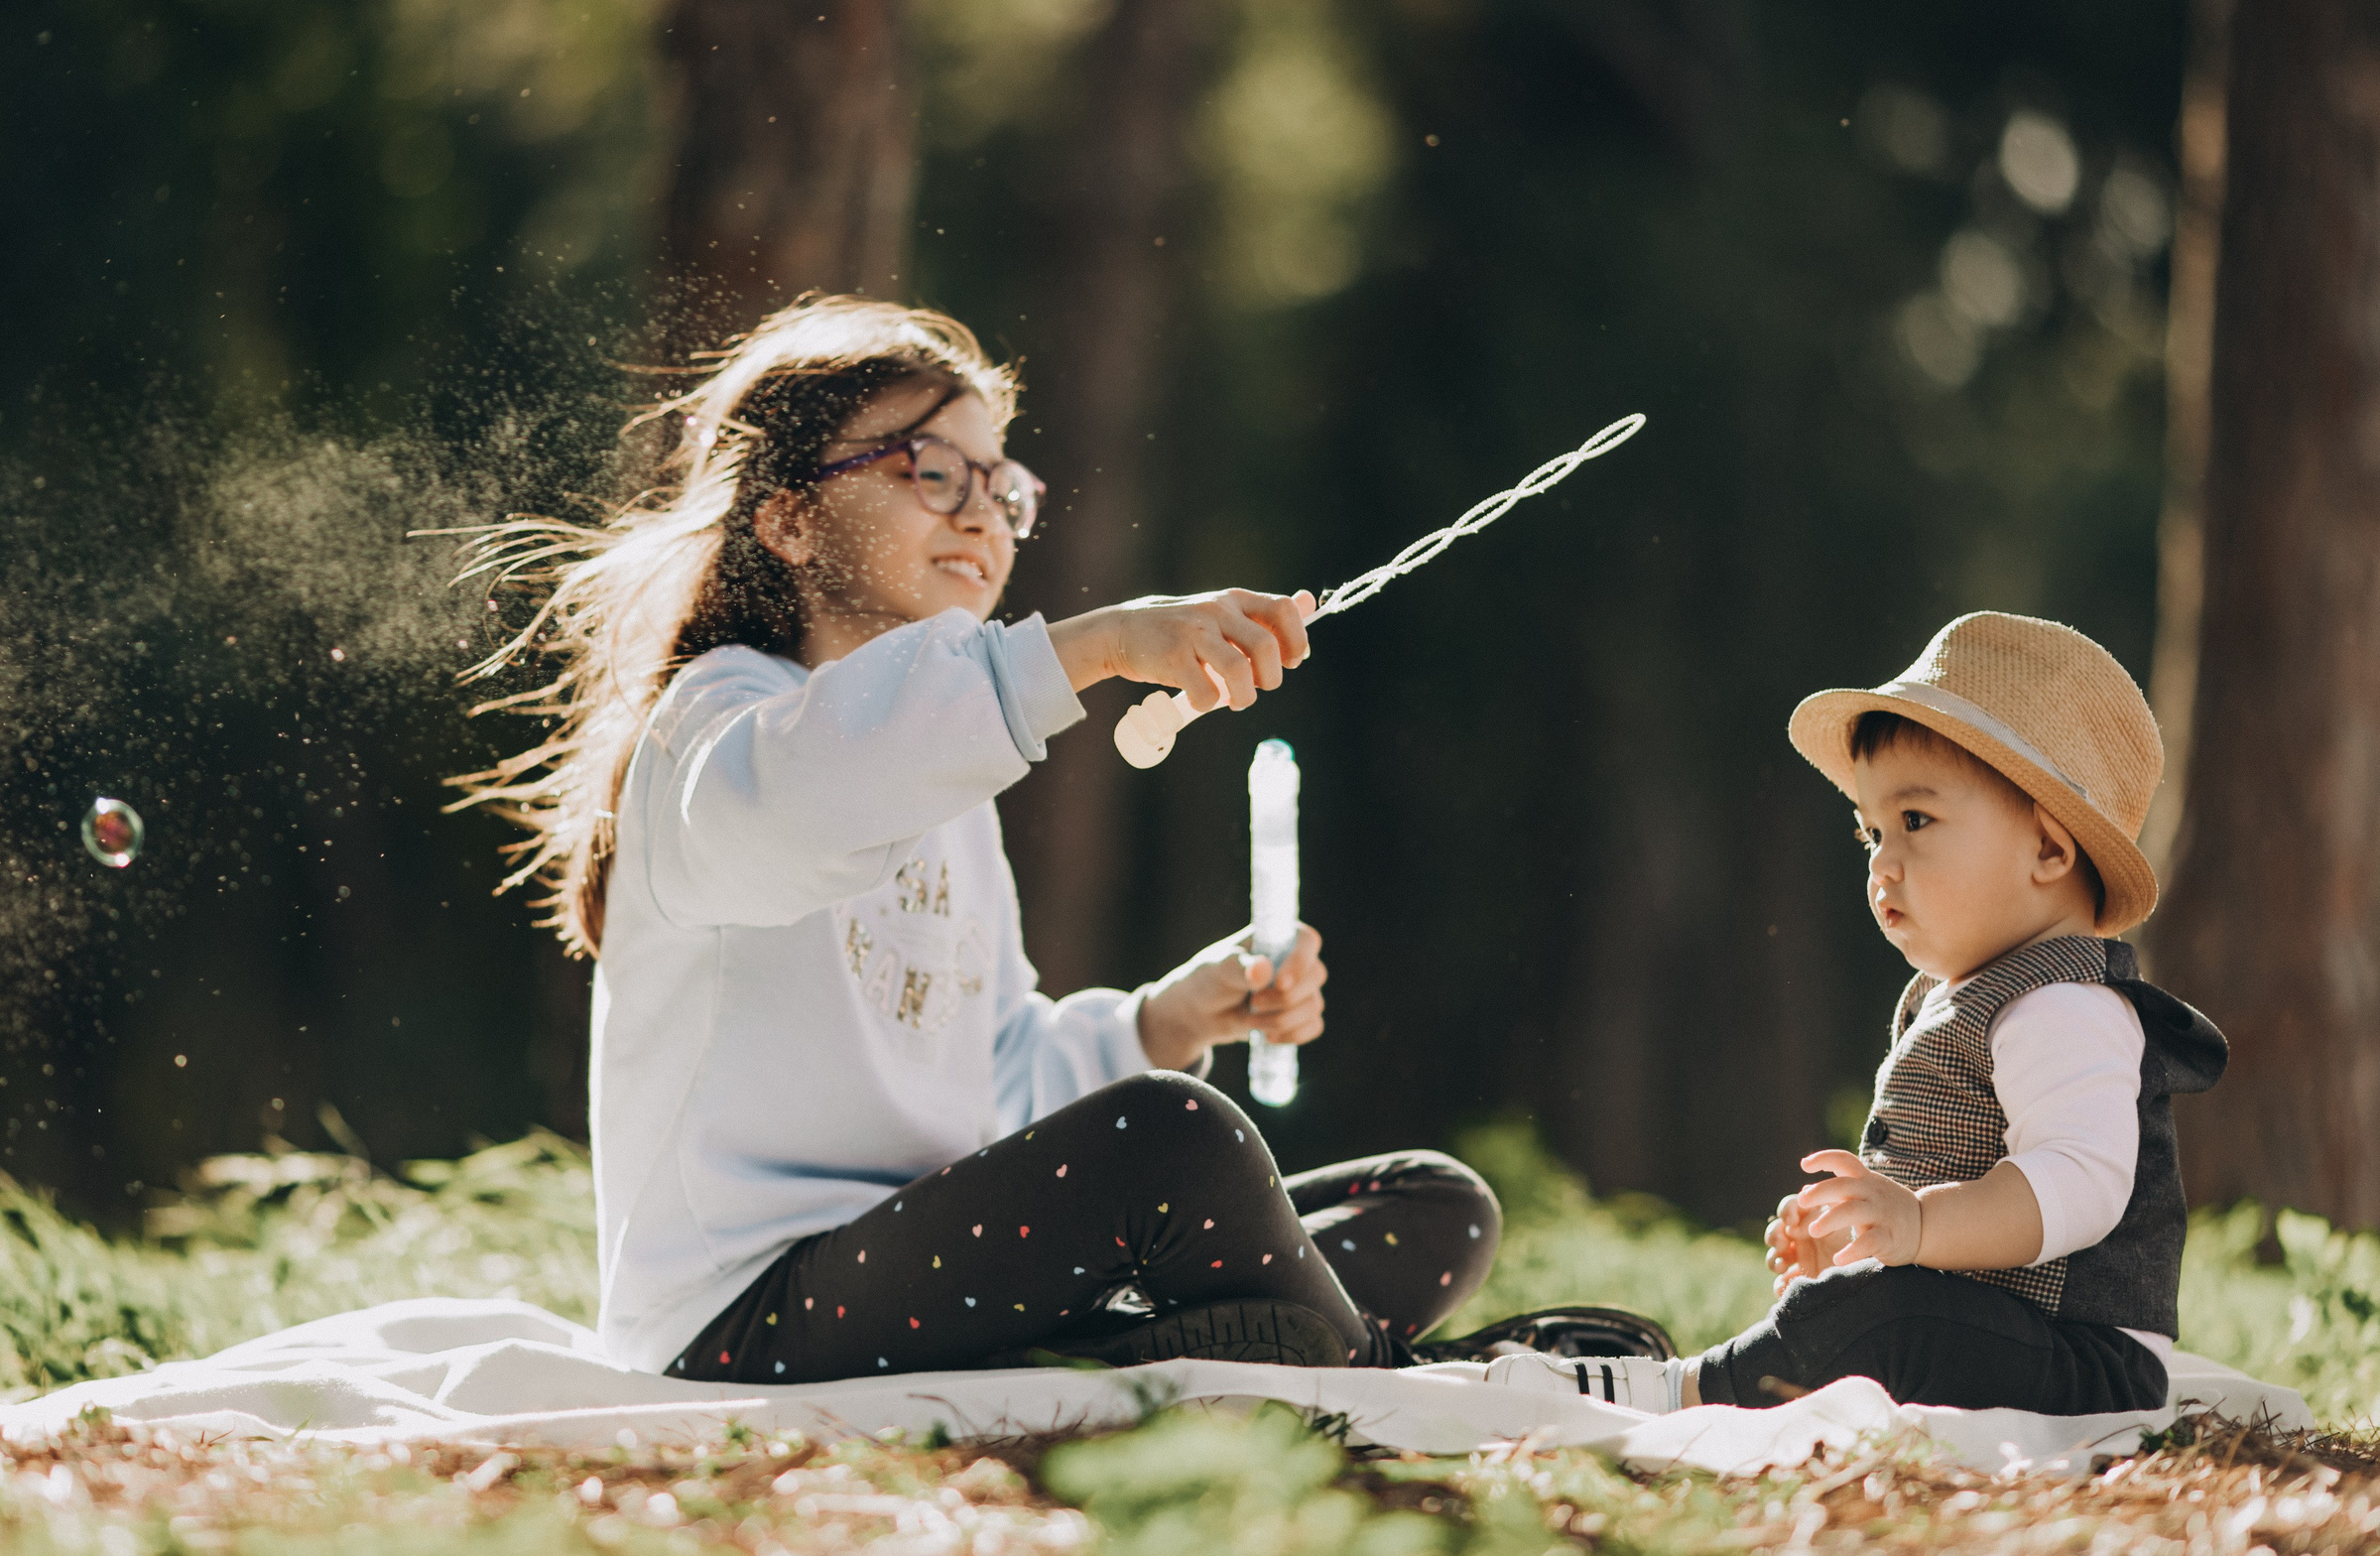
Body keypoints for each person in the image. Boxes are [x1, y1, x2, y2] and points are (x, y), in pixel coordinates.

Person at [449, 295, 1611, 1383]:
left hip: (943, 1277)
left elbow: (990, 1078)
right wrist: (1092, 647)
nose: (978, 515)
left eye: (1002, 491)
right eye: (931, 470)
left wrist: (1164, 1018)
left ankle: (1237, 1353)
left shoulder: (946, 772)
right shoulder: (717, 725)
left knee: (1426, 1201)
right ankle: (1353, 1374)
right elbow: (809, 794)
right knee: (1174, 1140)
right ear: (790, 520)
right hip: (743, 1320)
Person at [1512, 612, 2227, 1414]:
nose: (1883, 861)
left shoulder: (2066, 1004)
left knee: (1886, 1320)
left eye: (1915, 822)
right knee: (1862, 1310)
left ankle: (1685, 1391)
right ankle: (1740, 1369)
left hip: (2085, 1356)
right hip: (1998, 1332)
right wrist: (1862, 1241)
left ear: (2050, 852)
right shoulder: (1966, 997)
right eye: (1870, 832)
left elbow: (2082, 1181)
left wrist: (1917, 1224)